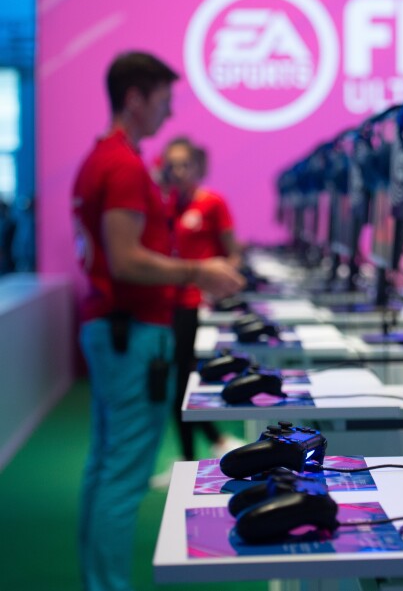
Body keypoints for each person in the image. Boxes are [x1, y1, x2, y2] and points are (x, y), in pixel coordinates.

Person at [72, 51, 244, 591]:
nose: (168, 116)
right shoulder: (122, 165)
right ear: (135, 98)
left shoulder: (106, 159)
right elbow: (125, 259)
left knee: (107, 469)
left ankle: (100, 581)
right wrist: (200, 269)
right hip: (132, 334)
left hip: (118, 330)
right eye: (164, 102)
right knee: (122, 476)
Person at [164, 136, 244, 469]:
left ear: (199, 166)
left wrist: (219, 288)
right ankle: (210, 444)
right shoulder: (166, 205)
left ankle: (194, 455)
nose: (178, 172)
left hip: (200, 306)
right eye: (172, 166)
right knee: (180, 382)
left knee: (184, 383)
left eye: (185, 164)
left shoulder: (213, 203)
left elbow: (233, 254)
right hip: (171, 302)